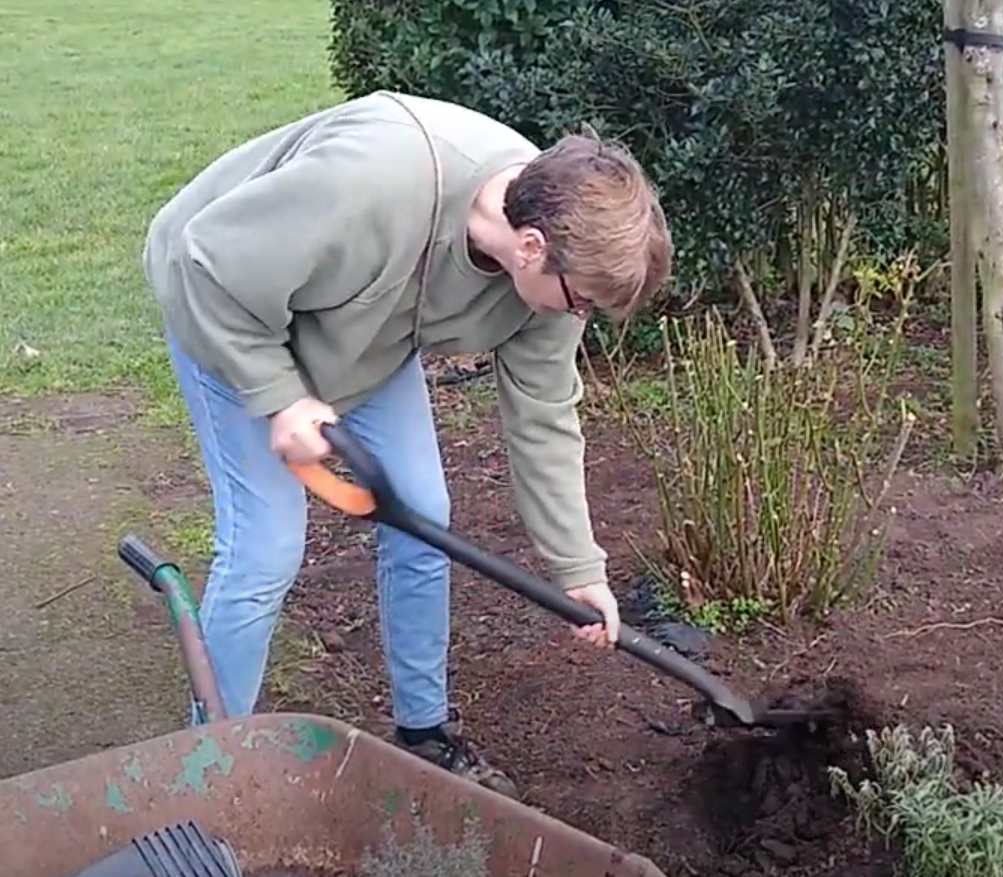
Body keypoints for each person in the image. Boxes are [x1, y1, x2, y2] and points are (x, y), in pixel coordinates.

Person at [141, 90, 673, 799]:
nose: (581, 316)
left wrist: (577, 567)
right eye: (579, 302)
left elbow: (544, 415)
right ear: (531, 246)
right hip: (231, 309)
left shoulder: (555, 267)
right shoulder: (372, 181)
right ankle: (208, 765)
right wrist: (278, 394)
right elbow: (207, 263)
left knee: (422, 512)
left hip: (361, 328)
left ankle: (424, 732)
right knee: (266, 546)